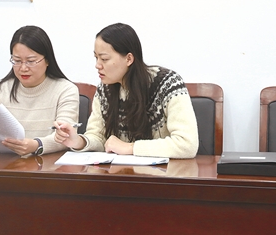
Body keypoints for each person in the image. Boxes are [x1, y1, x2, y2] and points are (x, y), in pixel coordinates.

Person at [54, 23, 199, 159]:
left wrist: (130, 148)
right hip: (120, 173)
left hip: (165, 174)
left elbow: (187, 144)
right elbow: (98, 137)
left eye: (104, 59)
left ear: (129, 59)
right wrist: (78, 141)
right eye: (96, 57)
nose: (97, 65)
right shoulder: (105, 89)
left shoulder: (168, 83)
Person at [0, 25, 79, 156]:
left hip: (48, 164)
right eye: (17, 61)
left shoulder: (66, 90)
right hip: (5, 162)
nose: (23, 68)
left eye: (31, 61)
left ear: (47, 60)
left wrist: (36, 145)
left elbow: (66, 136)